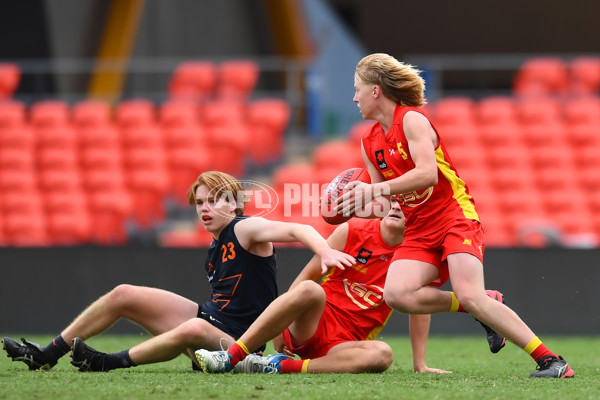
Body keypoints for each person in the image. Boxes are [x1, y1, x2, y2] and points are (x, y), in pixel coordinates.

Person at [335, 53, 574, 378]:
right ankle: (484, 303)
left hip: (453, 216)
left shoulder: (412, 120)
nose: (354, 97)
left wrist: (374, 192)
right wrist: (349, 205)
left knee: (468, 293)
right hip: (418, 228)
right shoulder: (368, 141)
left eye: (357, 88)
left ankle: (551, 361)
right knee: (396, 294)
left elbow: (427, 175)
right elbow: (385, 199)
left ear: (375, 91)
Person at [2, 171, 355, 372]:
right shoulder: (216, 245)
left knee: (195, 326)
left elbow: (296, 229)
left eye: (214, 199)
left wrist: (323, 249)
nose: (205, 208)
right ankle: (48, 354)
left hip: (239, 346)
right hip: (211, 321)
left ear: (233, 204)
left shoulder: (245, 228)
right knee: (124, 293)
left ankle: (108, 362)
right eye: (200, 202)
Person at [195, 197, 495, 374]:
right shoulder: (351, 230)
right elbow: (305, 278)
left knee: (383, 355)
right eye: (394, 198)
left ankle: (277, 366)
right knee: (313, 290)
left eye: (407, 204)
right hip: (311, 323)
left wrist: (420, 364)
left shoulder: (417, 257)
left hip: (343, 346)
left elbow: (419, 307)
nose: (397, 205)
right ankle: (232, 356)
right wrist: (279, 331)